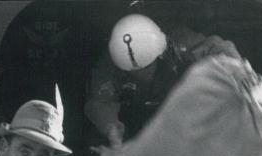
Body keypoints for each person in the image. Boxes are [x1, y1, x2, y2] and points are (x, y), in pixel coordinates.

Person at [85, 13, 241, 147]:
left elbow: (217, 49)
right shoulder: (110, 65)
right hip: (142, 117)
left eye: (146, 67)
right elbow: (100, 100)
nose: (141, 74)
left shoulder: (179, 42)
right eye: (134, 71)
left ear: (160, 53)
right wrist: (110, 127)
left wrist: (234, 74)